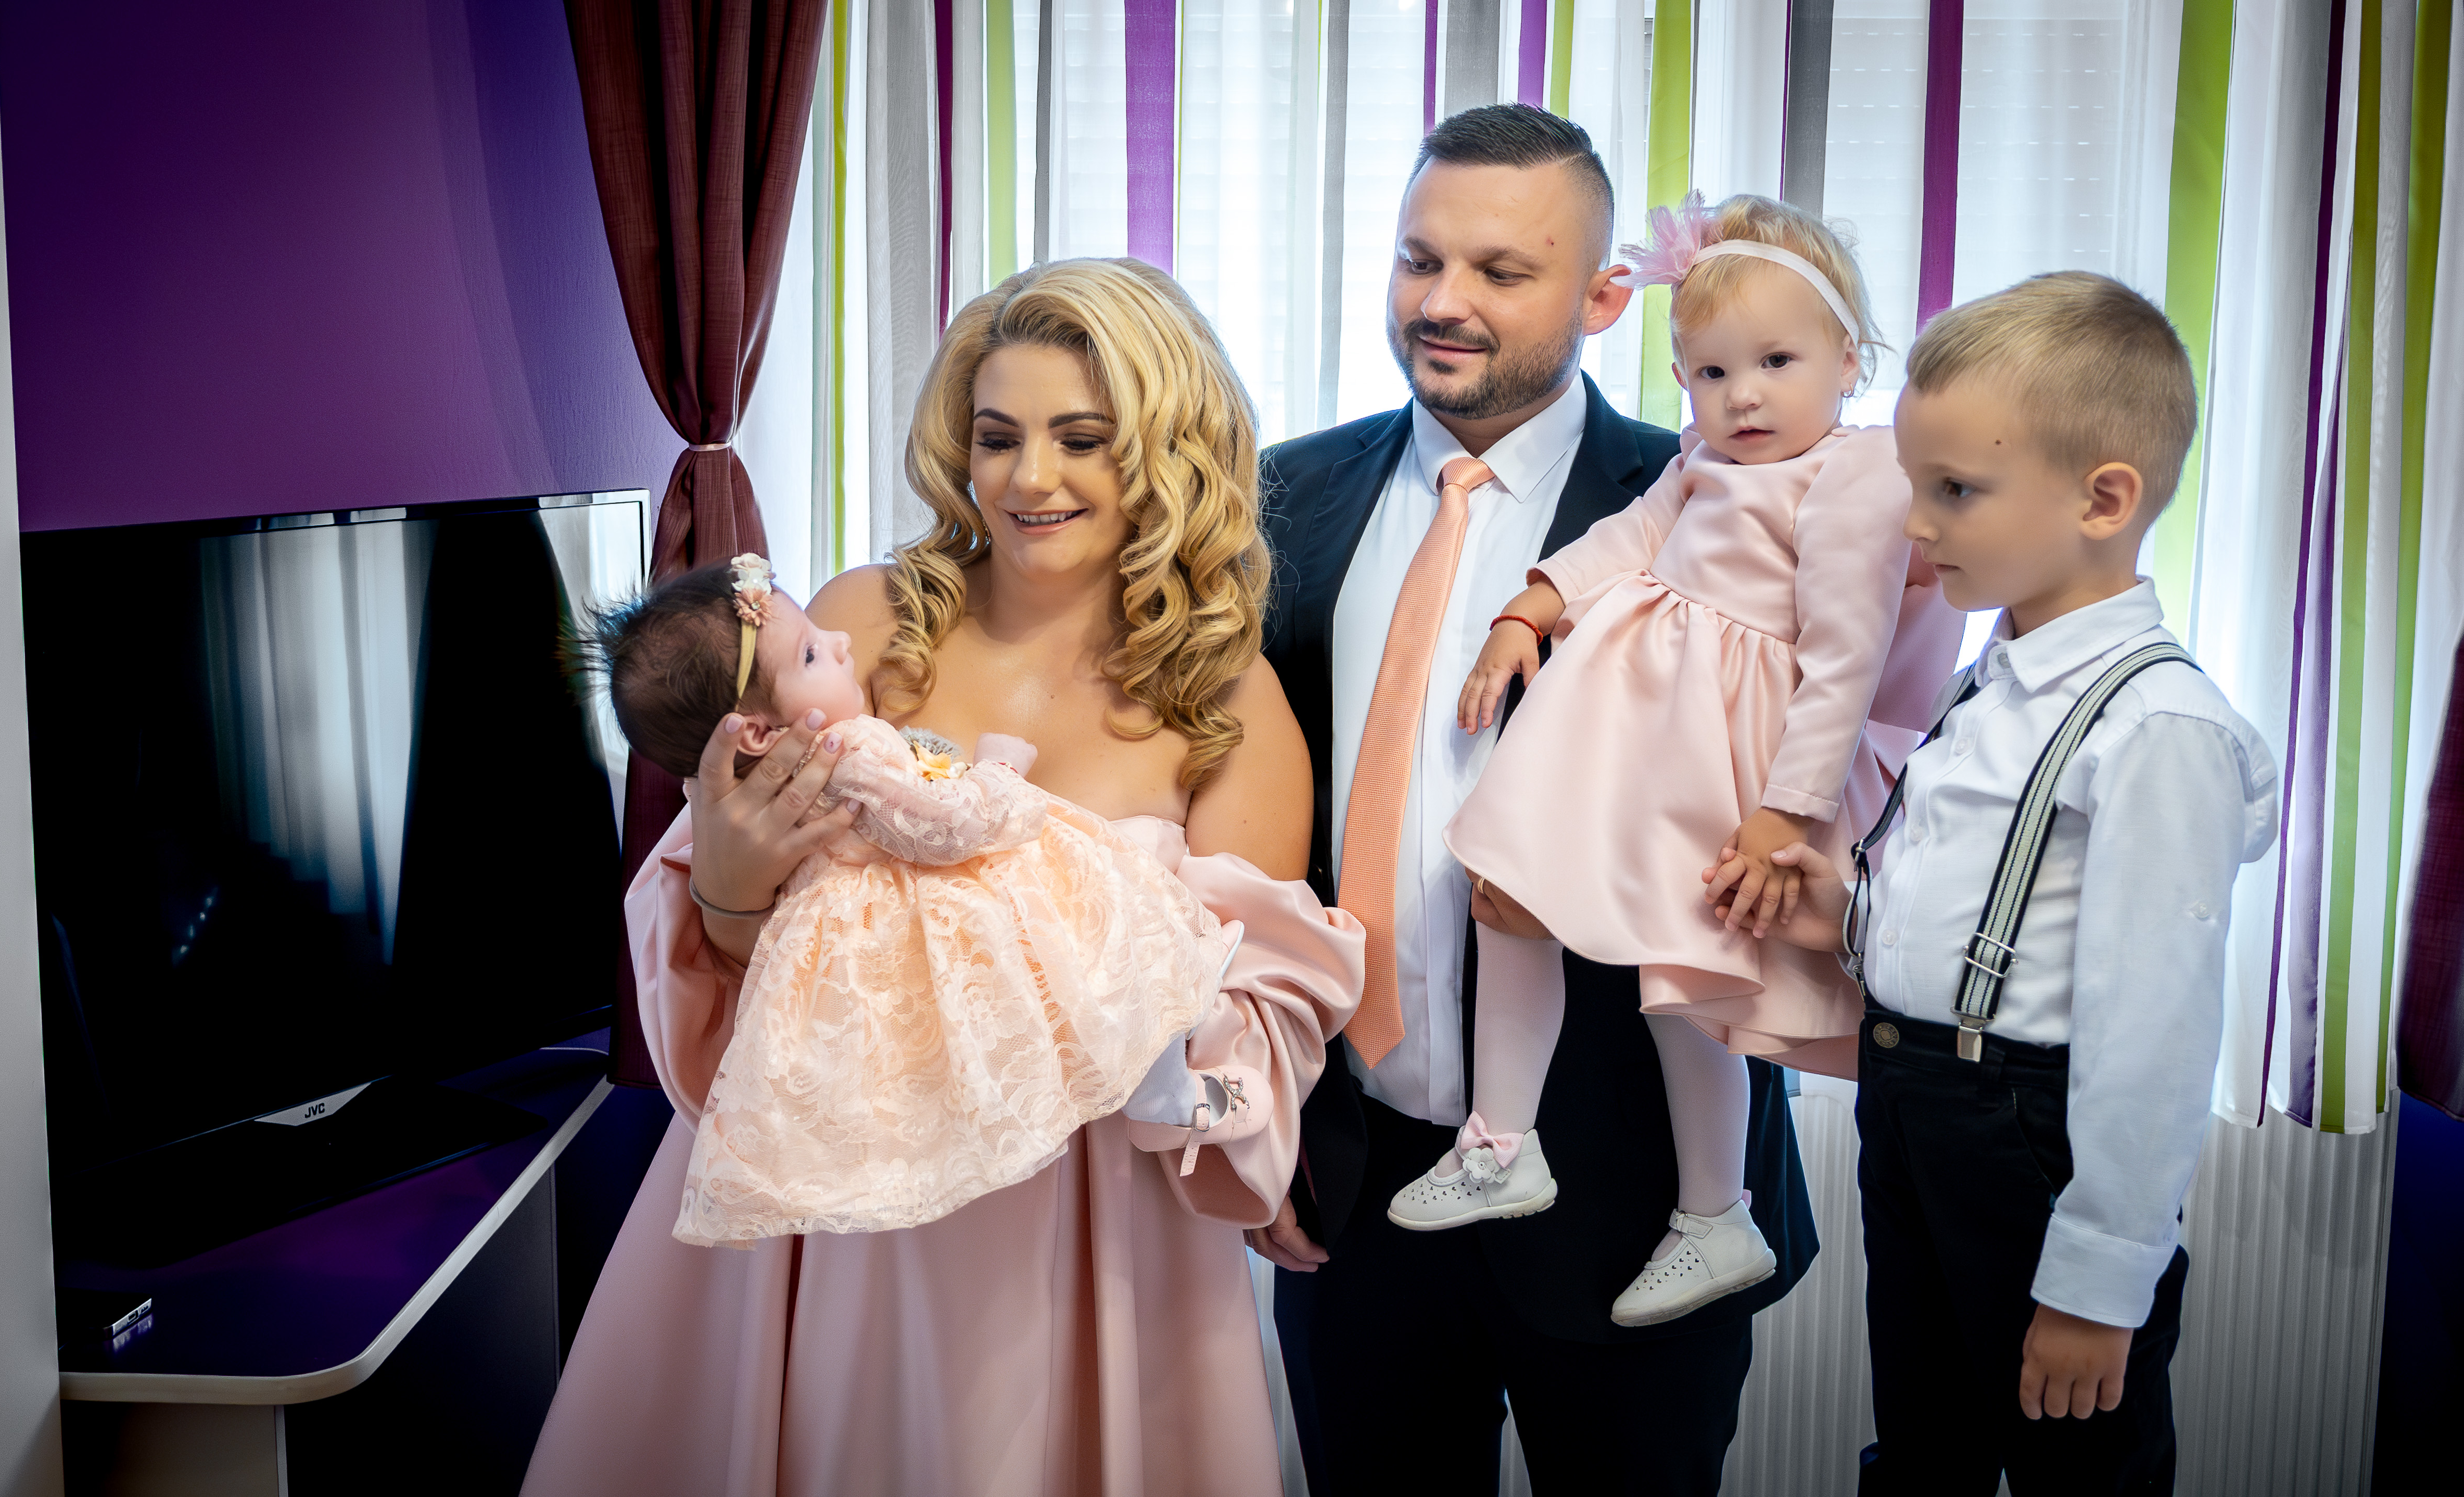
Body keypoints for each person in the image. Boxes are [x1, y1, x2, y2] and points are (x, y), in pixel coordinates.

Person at [521, 257, 1363, 1496]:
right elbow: (770, 971)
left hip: (1087, 1227)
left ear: (1166, 452)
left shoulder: (1224, 702)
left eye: (1082, 439)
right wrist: (728, 891)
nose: (1028, 479)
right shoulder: (860, 623)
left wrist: (1183, 1074)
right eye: (997, 436)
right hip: (834, 1213)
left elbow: (1257, 1015)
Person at [1255, 104, 1816, 1496]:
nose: (1441, 302)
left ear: (1605, 297)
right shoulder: (1281, 495)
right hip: (1359, 1190)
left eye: (1499, 271)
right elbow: (1247, 838)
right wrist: (1257, 1128)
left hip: (1637, 1199)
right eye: (1418, 259)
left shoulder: (1717, 498)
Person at [1717, 272, 2277, 1492]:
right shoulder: (1991, 675)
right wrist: (1846, 917)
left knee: (2073, 1466)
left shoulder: (2154, 727)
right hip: (1914, 1101)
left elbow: (2152, 1028)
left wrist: (2096, 1282)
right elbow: (1986, 907)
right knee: (1926, 1449)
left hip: (2031, 1137)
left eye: (1953, 491)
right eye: (1912, 486)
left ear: (2102, 499)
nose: (1913, 526)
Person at [1415, 194, 1959, 1334]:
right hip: (1627, 739)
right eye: (1711, 372)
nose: (1740, 396)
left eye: (1774, 363)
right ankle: (1501, 1140)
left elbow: (1844, 659)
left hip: (1725, 758)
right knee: (1503, 889)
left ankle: (1715, 1212)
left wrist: (1785, 814)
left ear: (1849, 361)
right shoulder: (1700, 458)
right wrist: (1530, 608)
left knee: (1688, 987)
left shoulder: (1856, 475)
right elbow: (1629, 539)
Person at [586, 554, 1235, 1247]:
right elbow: (943, 826)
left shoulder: (758, 781)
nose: (842, 642)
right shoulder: (848, 748)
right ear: (756, 733)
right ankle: (1157, 1078)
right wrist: (999, 773)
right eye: (811, 653)